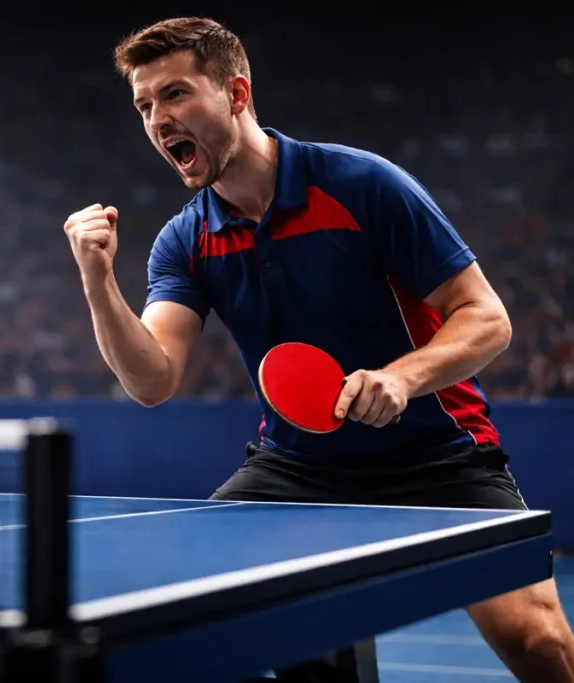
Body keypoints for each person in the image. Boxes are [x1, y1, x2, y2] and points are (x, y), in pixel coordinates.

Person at [62, 15, 574, 683]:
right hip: (299, 468)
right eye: (145, 105)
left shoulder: (362, 185)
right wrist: (98, 281)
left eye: (176, 94)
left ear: (237, 93)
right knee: (190, 615)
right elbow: (152, 379)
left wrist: (401, 377)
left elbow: (487, 318)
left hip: (440, 456)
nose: (159, 119)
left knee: (538, 642)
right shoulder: (185, 241)